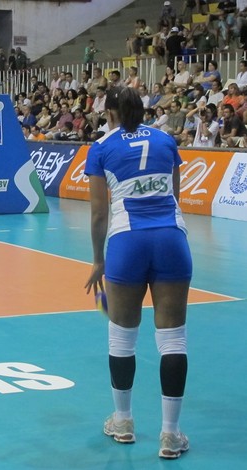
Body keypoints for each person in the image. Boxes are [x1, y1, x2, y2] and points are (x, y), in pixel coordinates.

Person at [84, 87, 192, 460]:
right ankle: (170, 434)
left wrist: (99, 260)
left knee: (122, 337)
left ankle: (124, 421)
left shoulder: (100, 148)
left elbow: (99, 213)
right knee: (173, 339)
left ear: (110, 112)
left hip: (127, 244)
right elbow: (175, 196)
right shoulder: (166, 140)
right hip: (170, 240)